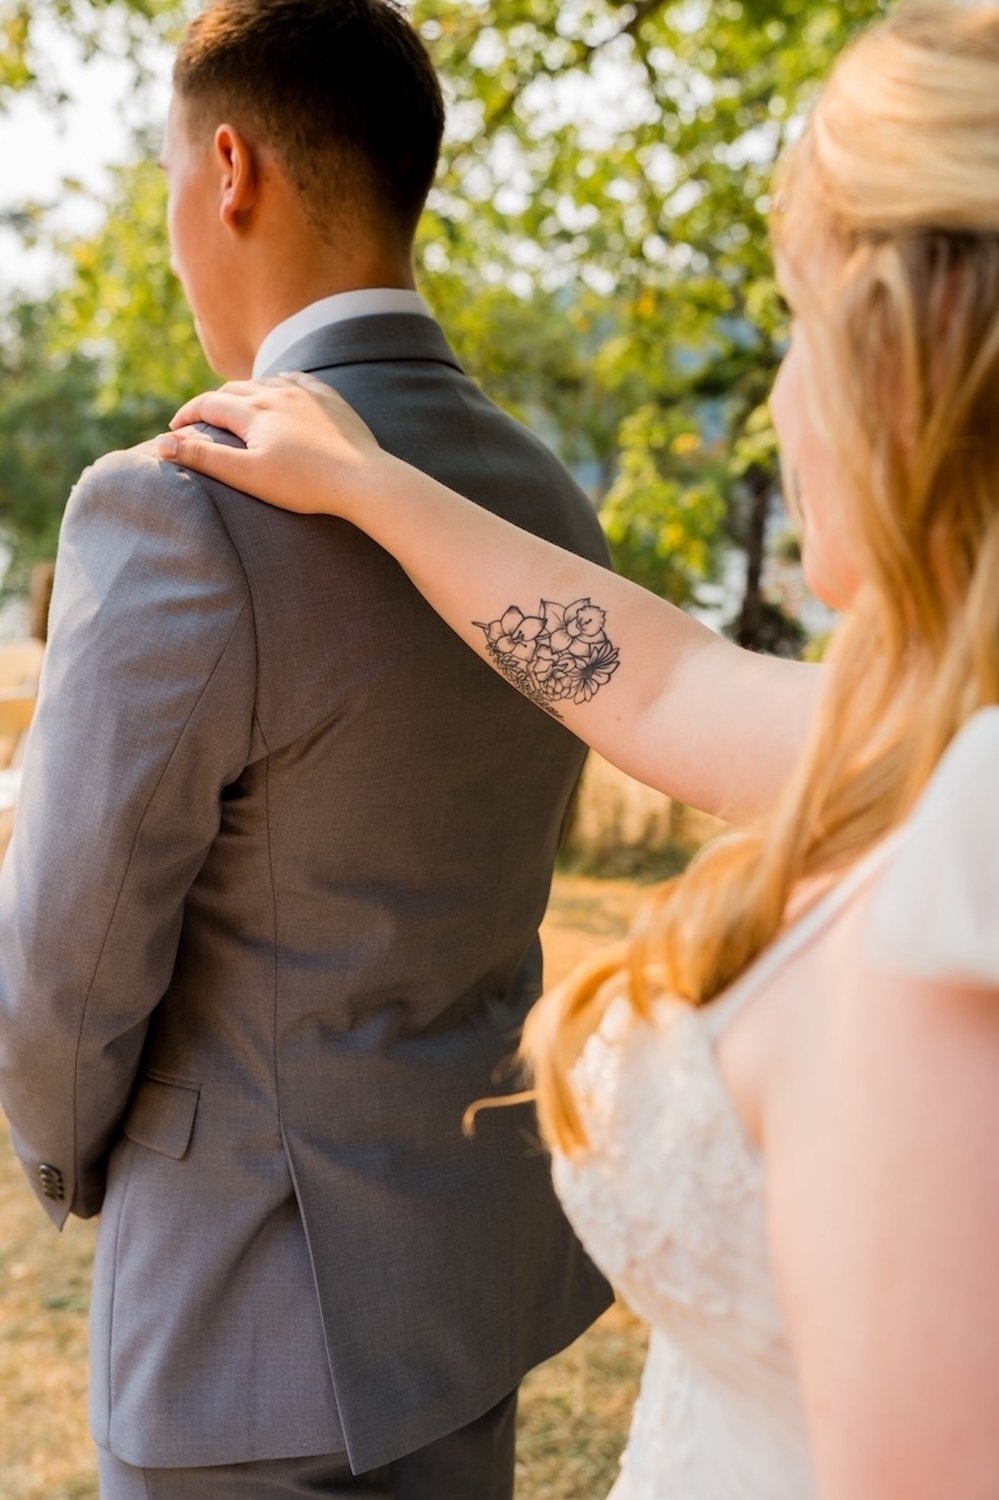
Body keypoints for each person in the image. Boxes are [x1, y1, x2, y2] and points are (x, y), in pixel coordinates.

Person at [162, 1, 999, 1492]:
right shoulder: (930, 734)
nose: (777, 397)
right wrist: (370, 488)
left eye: (798, 323)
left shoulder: (959, 893)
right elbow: (663, 687)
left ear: (908, 365)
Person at [0, 2, 623, 1496]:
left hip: (238, 1315)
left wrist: (66, 1152)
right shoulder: (546, 504)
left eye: (166, 186)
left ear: (228, 171)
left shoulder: (180, 506)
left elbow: (65, 959)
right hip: (465, 1295)